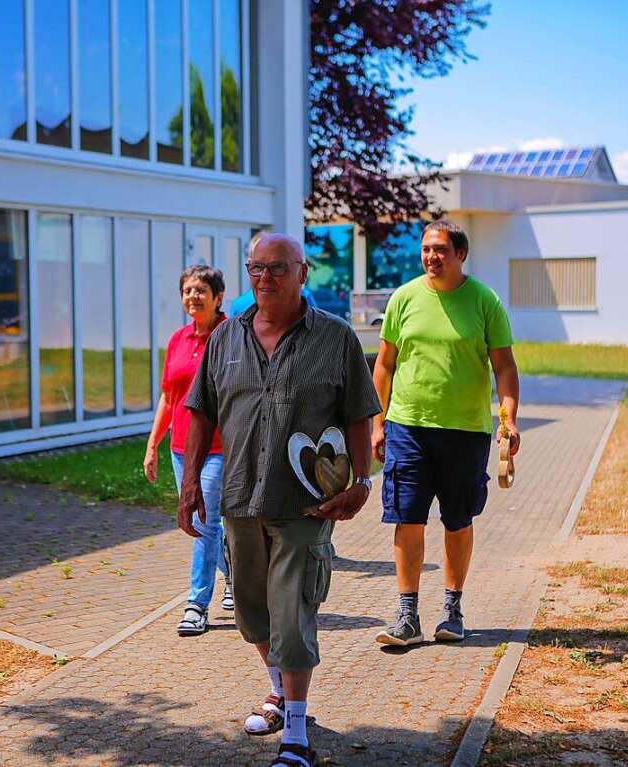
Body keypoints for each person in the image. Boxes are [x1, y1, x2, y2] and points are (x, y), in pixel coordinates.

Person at [180, 233, 379, 767]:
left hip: (307, 503)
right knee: (251, 613)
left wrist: (363, 481)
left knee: (292, 613)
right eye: (255, 269)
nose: (263, 279)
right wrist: (189, 484)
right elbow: (200, 412)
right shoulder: (226, 339)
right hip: (241, 497)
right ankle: (279, 692)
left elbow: (361, 412)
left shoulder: (335, 338)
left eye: (276, 269)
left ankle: (295, 733)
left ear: (302, 272)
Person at [372, 220, 520, 647]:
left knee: (457, 520)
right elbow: (384, 365)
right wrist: (377, 422)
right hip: (408, 427)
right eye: (425, 249)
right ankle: (407, 615)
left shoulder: (484, 301)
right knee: (407, 518)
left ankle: (452, 611)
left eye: (440, 249)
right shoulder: (404, 298)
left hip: (465, 431)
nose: (431, 257)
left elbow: (504, 366)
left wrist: (507, 418)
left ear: (460, 254)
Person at [143, 264, 232, 636]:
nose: (193, 297)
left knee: (202, 522)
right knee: (209, 527)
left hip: (218, 446)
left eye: (201, 290)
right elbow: (169, 396)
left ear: (218, 297)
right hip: (181, 449)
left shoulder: (231, 336)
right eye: (188, 291)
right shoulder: (178, 339)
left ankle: (197, 604)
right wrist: (152, 445)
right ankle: (235, 567)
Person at [228, 232, 318, 317]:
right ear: (250, 264)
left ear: (302, 272)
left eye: (276, 267)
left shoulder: (304, 297)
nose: (265, 276)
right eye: (258, 266)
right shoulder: (236, 311)